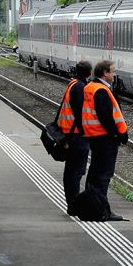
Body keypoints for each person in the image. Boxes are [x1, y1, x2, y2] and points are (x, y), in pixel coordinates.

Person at [81, 60, 129, 221]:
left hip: (94, 136)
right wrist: (117, 135)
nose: (114, 75)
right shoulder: (101, 90)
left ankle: (91, 208)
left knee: (94, 174)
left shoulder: (90, 87)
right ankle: (102, 211)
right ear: (105, 73)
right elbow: (106, 117)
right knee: (103, 176)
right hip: (105, 139)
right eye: (113, 72)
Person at [59, 60, 93, 215]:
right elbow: (81, 114)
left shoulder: (73, 84)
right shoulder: (79, 88)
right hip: (77, 136)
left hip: (70, 134)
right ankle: (73, 205)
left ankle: (72, 204)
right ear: (89, 73)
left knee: (72, 171)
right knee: (76, 172)